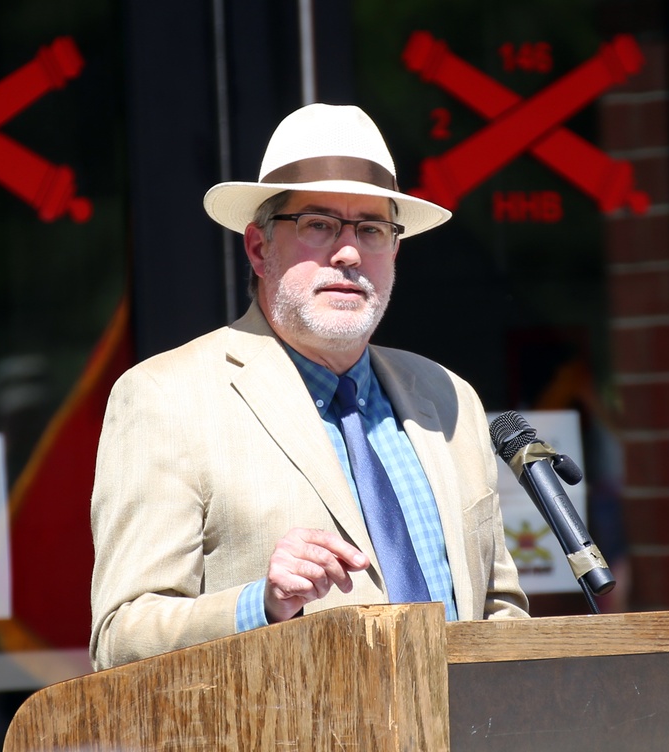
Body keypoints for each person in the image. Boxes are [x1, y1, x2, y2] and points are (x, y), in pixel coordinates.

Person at [89, 103, 528, 670]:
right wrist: (260, 605)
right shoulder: (165, 398)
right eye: (318, 224)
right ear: (258, 248)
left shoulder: (449, 398)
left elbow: (500, 611)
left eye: (372, 229)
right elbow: (122, 638)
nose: (348, 252)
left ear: (395, 251)